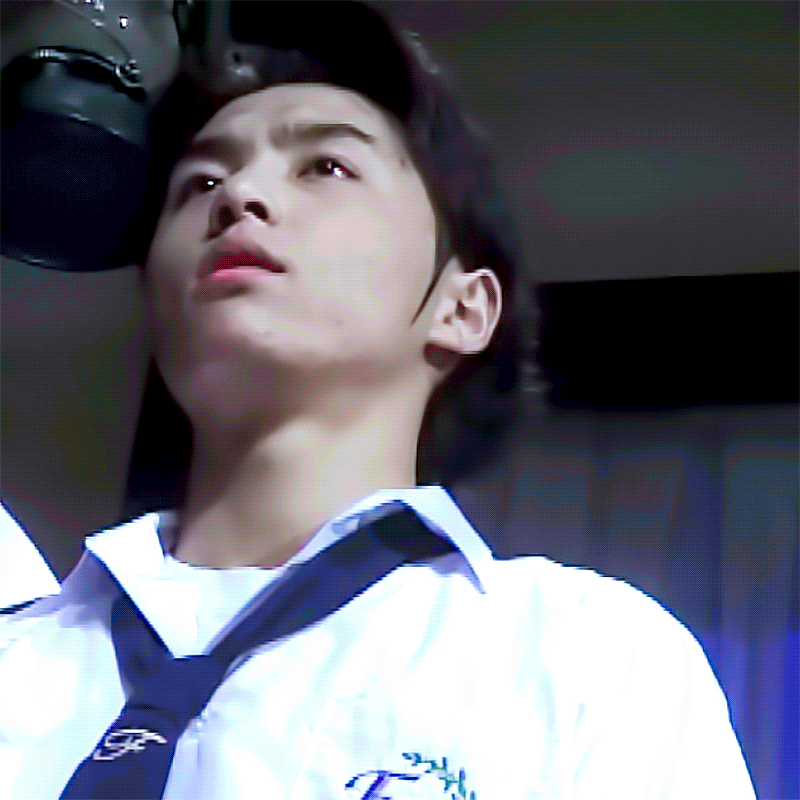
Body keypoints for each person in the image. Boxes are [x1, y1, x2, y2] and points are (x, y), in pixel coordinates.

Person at [0, 2, 756, 798]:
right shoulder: (18, 658)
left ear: (462, 308)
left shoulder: (585, 660)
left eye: (325, 168)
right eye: (200, 183)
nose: (239, 196)